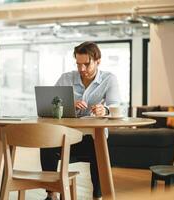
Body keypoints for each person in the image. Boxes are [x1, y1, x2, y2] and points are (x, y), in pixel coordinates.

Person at [40, 41, 121, 200]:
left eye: (86, 64)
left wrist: (104, 110)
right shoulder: (66, 78)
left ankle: (97, 197)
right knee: (46, 143)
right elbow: (49, 106)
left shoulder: (109, 79)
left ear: (98, 60)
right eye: (78, 64)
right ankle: (51, 194)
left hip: (91, 138)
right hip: (66, 136)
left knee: (98, 147)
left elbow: (116, 108)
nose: (82, 69)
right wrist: (67, 104)